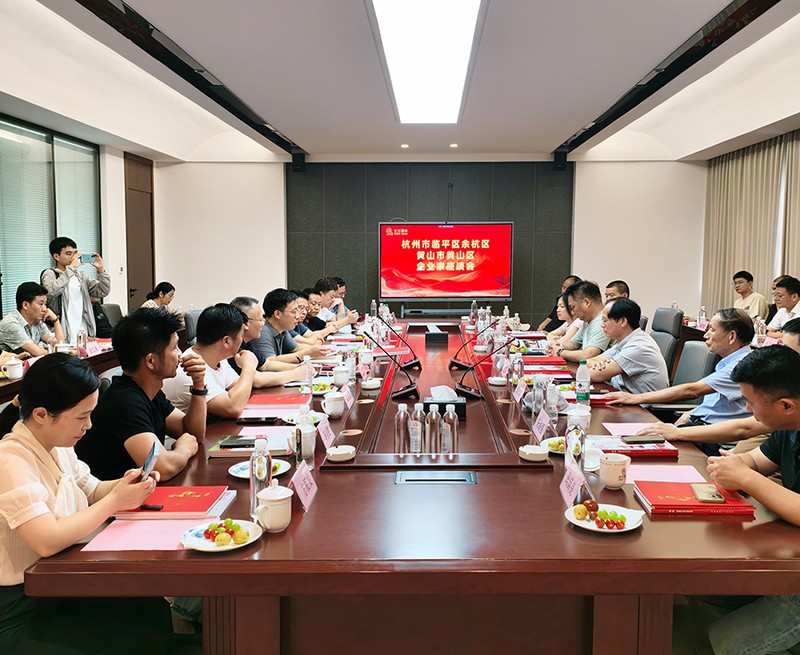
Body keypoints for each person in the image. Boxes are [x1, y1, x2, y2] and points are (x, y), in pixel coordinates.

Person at [0, 354, 175, 654]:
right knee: (131, 637)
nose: (89, 425)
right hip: (20, 608)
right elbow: (46, 540)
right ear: (41, 414)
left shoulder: (57, 445)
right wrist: (115, 501)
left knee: (149, 608)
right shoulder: (10, 459)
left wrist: (125, 485)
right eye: (82, 417)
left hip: (60, 582)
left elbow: (93, 490)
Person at [689, 346, 800, 655]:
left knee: (730, 645)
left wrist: (746, 478)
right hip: (789, 552)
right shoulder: (789, 426)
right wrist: (733, 466)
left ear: (786, 405)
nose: (748, 410)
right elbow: (756, 460)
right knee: (708, 591)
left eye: (751, 402)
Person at [75, 308, 205, 481]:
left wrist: (199, 384)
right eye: (174, 347)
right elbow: (162, 468)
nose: (180, 354)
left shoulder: (150, 392)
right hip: (113, 495)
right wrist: (184, 449)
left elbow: (192, 433)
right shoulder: (124, 402)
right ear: (151, 361)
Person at [636, 317, 800, 454]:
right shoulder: (738, 366)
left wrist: (678, 432)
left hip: (720, 439)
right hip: (708, 432)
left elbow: (745, 428)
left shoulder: (759, 374)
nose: (780, 353)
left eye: (786, 349)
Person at [606, 308, 754, 456]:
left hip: (712, 440)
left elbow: (692, 391)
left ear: (731, 336)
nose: (706, 335)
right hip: (697, 428)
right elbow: (719, 405)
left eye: (712, 330)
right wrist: (692, 413)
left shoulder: (741, 365)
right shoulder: (728, 362)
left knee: (633, 452)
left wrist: (634, 398)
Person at [162, 303, 256, 418]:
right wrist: (249, 366)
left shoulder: (218, 359)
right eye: (241, 336)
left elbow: (239, 390)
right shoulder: (191, 368)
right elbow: (233, 408)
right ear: (226, 341)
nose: (242, 341)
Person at [586, 298, 668, 394]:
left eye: (605, 320)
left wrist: (595, 367)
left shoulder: (638, 346)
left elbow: (592, 374)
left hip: (643, 403)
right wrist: (594, 364)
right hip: (623, 396)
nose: (602, 325)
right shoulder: (625, 341)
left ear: (622, 321)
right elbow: (587, 362)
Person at [229, 296, 312, 386]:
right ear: (245, 323)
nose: (263, 324)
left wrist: (300, 368)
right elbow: (256, 380)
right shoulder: (231, 347)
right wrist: (295, 374)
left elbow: (265, 365)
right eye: (260, 320)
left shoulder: (247, 343)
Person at [40, 236, 111, 342]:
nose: (73, 257)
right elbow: (50, 291)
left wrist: (101, 271)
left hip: (82, 330)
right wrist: (71, 269)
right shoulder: (50, 273)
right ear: (56, 256)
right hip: (62, 330)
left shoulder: (80, 276)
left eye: (75, 253)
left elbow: (102, 291)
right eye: (69, 254)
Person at [250, 289, 333, 365]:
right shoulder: (262, 331)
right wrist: (307, 352)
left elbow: (296, 347)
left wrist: (321, 350)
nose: (297, 316)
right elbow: (269, 362)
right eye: (294, 312)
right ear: (277, 314)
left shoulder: (282, 329)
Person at [547, 280, 610, 362]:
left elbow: (588, 355)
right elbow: (573, 343)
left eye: (572, 307)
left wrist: (560, 352)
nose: (573, 312)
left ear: (586, 302)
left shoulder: (603, 321)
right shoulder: (588, 320)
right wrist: (557, 345)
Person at [0, 282, 64, 356]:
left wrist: (55, 320)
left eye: (45, 304)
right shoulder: (10, 324)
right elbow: (38, 353)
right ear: (25, 305)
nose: (45, 309)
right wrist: (58, 353)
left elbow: (60, 345)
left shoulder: (37, 322)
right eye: (41, 304)